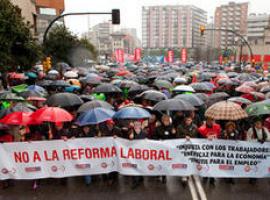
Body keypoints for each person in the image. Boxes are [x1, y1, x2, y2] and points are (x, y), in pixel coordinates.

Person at [198, 117, 221, 185]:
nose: (210, 122)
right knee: (206, 163)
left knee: (213, 164)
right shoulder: (202, 129)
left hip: (214, 149)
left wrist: (218, 137)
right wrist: (206, 138)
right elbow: (198, 139)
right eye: (209, 120)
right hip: (205, 149)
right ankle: (205, 176)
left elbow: (220, 136)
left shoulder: (217, 127)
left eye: (212, 120)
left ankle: (212, 178)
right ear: (206, 121)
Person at [154, 115, 176, 183]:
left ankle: (164, 176)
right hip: (160, 148)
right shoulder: (158, 128)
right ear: (162, 121)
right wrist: (158, 139)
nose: (166, 122)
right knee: (159, 162)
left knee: (165, 163)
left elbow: (174, 139)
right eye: (165, 120)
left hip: (168, 149)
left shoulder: (172, 127)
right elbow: (154, 137)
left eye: (167, 120)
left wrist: (174, 133)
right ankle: (158, 173)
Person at [177, 116, 198, 186]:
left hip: (191, 147)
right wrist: (184, 137)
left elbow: (196, 136)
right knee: (182, 160)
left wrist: (190, 137)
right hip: (182, 146)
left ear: (192, 120)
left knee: (189, 160)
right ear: (185, 120)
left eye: (189, 120)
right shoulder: (180, 127)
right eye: (187, 120)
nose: (188, 121)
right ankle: (183, 175)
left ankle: (188, 172)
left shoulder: (195, 127)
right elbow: (177, 136)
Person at [128, 120, 147, 189]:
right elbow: (124, 142)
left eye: (138, 125)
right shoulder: (131, 132)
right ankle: (135, 182)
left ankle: (140, 177)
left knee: (140, 165)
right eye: (135, 125)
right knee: (134, 166)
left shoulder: (144, 133)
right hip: (133, 153)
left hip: (141, 153)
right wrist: (130, 138)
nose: (137, 126)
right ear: (134, 126)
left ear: (140, 126)